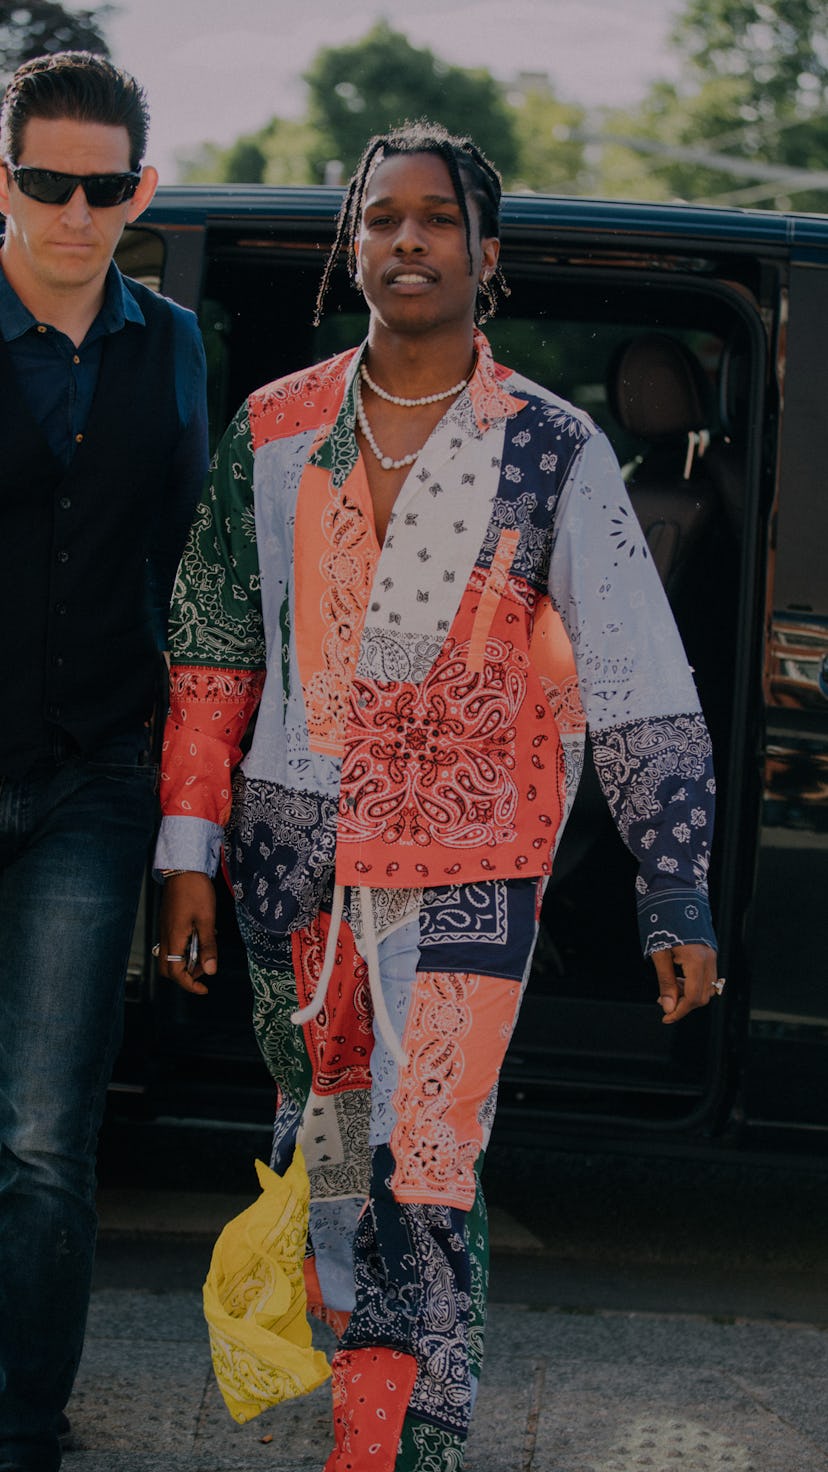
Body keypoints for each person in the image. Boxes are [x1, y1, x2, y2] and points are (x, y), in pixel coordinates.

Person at [156, 122, 720, 1472]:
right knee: (332, 1162)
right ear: (350, 246)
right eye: (382, 218)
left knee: (430, 1166)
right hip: (296, 874)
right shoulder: (276, 428)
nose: (408, 240)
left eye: (437, 220)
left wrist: (674, 882)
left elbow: (638, 672)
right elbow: (214, 649)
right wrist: (188, 852)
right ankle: (369, 1411)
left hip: (470, 872)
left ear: (487, 255)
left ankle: (405, 1452)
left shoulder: (549, 446)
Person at [0, 51, 208, 1472]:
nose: (75, 212)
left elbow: (194, 580)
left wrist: (192, 819)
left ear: (140, 189)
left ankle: (22, 1431)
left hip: (92, 783)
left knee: (39, 1140)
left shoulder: (173, 344)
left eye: (102, 185)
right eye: (43, 181)